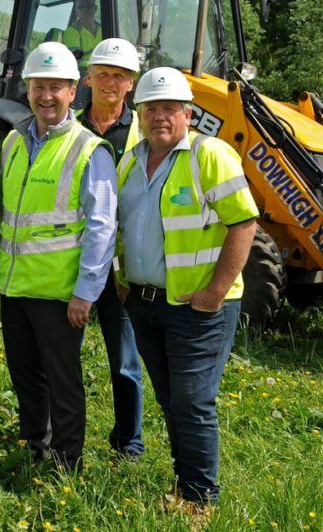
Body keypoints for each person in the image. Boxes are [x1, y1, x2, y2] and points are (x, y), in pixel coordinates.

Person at [117, 67, 257, 509]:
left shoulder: (209, 155)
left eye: (169, 108)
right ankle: (185, 486)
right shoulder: (131, 160)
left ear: (188, 113)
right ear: (138, 113)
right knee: (171, 399)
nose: (160, 116)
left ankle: (200, 499)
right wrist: (123, 281)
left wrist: (215, 292)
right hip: (144, 303)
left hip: (197, 308)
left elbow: (244, 222)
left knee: (193, 402)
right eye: (150, 108)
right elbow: (123, 229)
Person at [0, 41, 117, 473]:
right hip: (14, 285)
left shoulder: (89, 149)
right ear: (27, 89)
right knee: (25, 374)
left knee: (63, 380)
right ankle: (36, 444)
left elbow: (102, 227)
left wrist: (85, 293)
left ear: (72, 92)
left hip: (59, 292)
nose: (46, 95)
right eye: (38, 86)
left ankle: (68, 459)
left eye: (56, 87)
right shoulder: (12, 142)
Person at [75, 38, 145, 458]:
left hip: (121, 268)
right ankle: (66, 439)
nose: (110, 83)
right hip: (76, 262)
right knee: (65, 357)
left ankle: (129, 443)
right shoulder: (71, 127)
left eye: (119, 76)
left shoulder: (143, 132)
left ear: (131, 83)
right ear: (88, 78)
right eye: (103, 74)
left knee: (124, 360)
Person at [61, 0, 102, 68]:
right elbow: (74, 62)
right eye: (81, 7)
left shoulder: (104, 29)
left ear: (95, 8)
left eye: (89, 6)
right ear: (76, 11)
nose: (85, 10)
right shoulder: (71, 32)